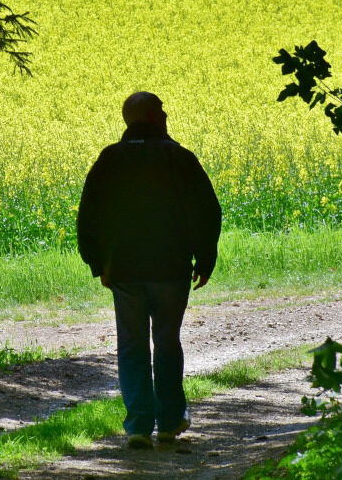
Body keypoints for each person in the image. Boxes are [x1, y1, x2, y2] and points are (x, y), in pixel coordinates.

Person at [76, 91, 222, 449]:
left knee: (132, 346)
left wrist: (99, 265)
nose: (167, 114)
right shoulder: (179, 158)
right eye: (162, 110)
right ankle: (170, 421)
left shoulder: (109, 159)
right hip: (171, 269)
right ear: (155, 117)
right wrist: (204, 260)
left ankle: (139, 425)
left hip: (123, 270)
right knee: (167, 342)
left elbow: (89, 216)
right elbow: (207, 212)